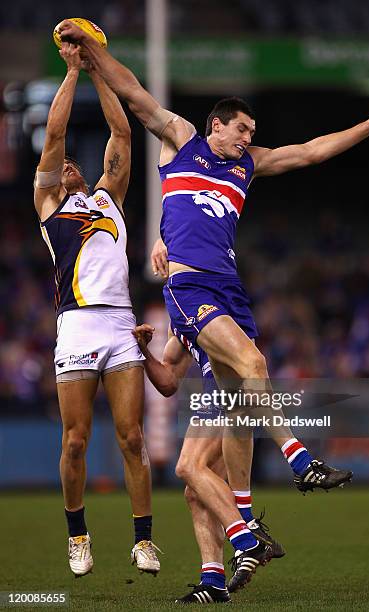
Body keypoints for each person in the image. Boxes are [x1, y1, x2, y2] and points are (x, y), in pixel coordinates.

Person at [57, 18, 369, 593]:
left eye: (252, 131)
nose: (248, 137)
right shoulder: (183, 141)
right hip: (192, 287)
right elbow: (136, 95)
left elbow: (313, 151)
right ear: (215, 125)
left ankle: (228, 558)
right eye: (242, 128)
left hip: (230, 292)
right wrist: (94, 56)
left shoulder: (248, 165)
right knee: (253, 369)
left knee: (225, 429)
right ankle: (300, 461)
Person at [33, 43, 160, 577]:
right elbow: (55, 135)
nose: (66, 165)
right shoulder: (49, 206)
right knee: (76, 439)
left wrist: (98, 71)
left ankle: (143, 541)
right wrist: (69, 73)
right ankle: (78, 535)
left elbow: (124, 135)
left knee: (132, 437)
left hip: (119, 321)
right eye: (58, 166)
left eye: (70, 165)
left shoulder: (108, 195)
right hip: (78, 323)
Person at [133, 322, 285, 602]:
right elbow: (168, 382)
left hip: (230, 391)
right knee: (195, 493)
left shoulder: (205, 296)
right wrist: (143, 352)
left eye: (164, 272)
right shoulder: (178, 316)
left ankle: (247, 539)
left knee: (187, 466)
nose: (162, 273)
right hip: (211, 395)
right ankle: (214, 581)